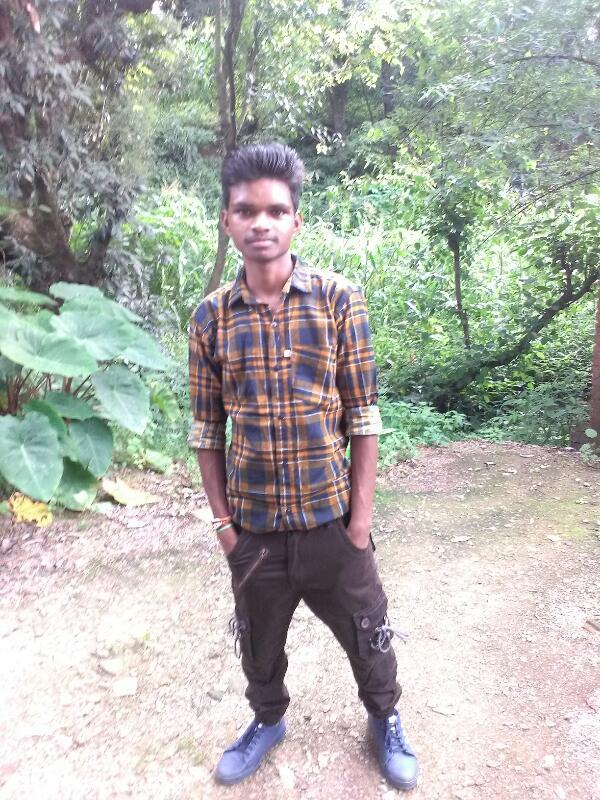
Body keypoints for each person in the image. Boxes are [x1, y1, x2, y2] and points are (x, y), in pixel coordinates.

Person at [188, 143, 419, 791]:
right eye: (245, 210)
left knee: (369, 632)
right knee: (257, 639)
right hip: (254, 531)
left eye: (275, 210)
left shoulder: (339, 301)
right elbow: (206, 432)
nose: (260, 223)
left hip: (331, 523)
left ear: (296, 220)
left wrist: (359, 524)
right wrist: (225, 528)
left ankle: (385, 718)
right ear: (227, 220)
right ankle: (267, 719)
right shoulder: (210, 320)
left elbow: (364, 417)